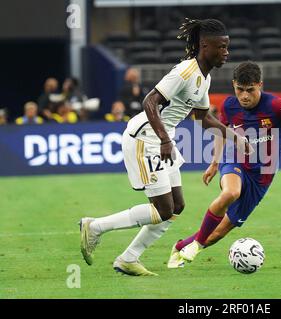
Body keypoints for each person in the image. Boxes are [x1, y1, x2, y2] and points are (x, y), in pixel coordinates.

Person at [79, 18, 250, 276]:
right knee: (163, 209)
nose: (226, 53)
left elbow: (203, 117)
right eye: (221, 47)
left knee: (176, 207)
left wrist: (234, 137)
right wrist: (165, 140)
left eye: (227, 47)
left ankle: (129, 258)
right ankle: (95, 227)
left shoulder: (204, 78)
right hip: (145, 138)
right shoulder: (185, 72)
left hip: (161, 139)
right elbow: (150, 101)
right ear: (205, 46)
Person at [172, 61, 281, 264]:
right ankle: (196, 245)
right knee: (231, 192)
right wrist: (215, 163)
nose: (244, 96)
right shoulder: (229, 105)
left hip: (262, 176)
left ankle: (180, 247)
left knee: (217, 233)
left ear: (260, 85)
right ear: (234, 85)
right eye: (239, 90)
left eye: (250, 90)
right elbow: (221, 131)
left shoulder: (274, 105)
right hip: (235, 160)